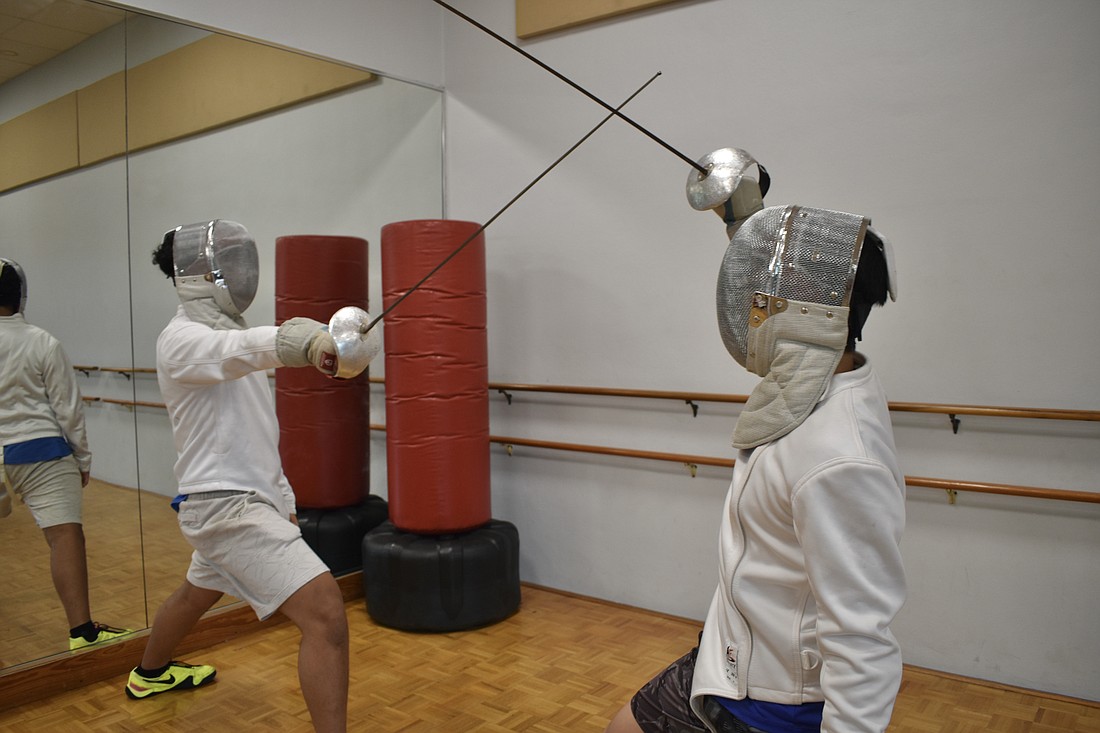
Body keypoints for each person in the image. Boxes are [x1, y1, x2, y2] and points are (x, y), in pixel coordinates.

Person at [606, 149, 906, 733]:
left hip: (775, 700)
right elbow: (784, 285)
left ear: (807, 312)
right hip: (732, 648)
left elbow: (863, 639)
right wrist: (742, 214)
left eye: (765, 298)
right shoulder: (815, 382)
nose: (752, 307)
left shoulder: (840, 459)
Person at [128, 220, 380, 733]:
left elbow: (257, 429)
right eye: (233, 262)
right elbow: (233, 353)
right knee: (326, 614)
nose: (244, 273)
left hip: (242, 500)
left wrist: (281, 495)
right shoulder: (181, 340)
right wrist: (303, 341)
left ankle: (148, 673)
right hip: (225, 508)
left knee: (195, 593)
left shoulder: (232, 337)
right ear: (200, 272)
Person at [0, 258, 133, 651]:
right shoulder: (42, 341)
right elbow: (68, 409)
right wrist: (83, 460)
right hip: (41, 451)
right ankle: (82, 632)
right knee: (64, 538)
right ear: (20, 296)